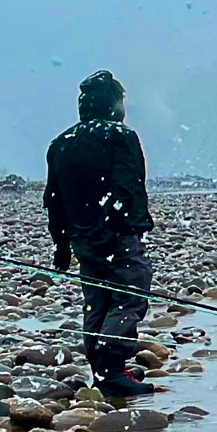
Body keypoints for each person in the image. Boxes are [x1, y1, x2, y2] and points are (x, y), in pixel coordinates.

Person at [46, 70, 158, 396]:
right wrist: (117, 226)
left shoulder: (61, 143)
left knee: (97, 302)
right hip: (116, 236)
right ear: (113, 105)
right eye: (121, 101)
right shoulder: (120, 137)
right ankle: (111, 370)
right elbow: (127, 188)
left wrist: (62, 246)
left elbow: (54, 199)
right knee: (129, 296)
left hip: (80, 238)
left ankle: (104, 370)